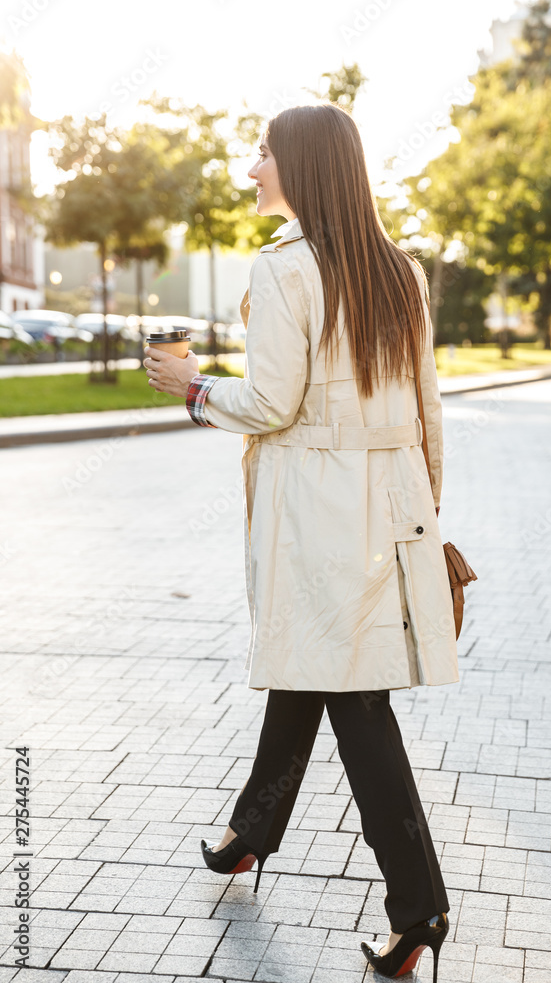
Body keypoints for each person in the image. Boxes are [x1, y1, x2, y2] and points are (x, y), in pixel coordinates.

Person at [143, 102, 459, 982]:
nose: (251, 169)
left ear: (303, 166)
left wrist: (195, 387)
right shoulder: (398, 269)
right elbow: (430, 411)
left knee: (356, 703)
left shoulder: (283, 267)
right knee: (314, 661)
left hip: (319, 510)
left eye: (262, 153)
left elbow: (271, 402)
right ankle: (253, 832)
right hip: (388, 509)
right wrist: (422, 519)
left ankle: (419, 910)